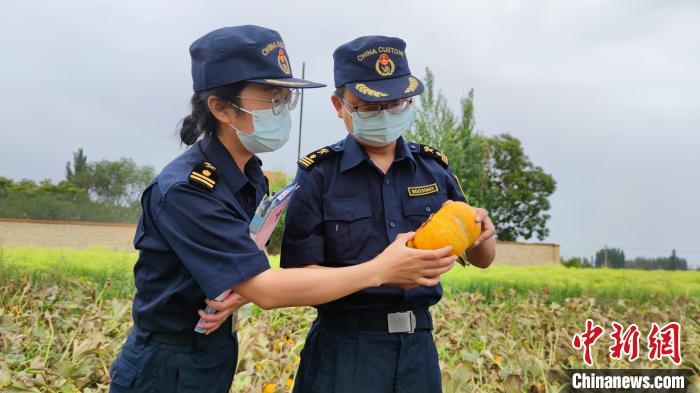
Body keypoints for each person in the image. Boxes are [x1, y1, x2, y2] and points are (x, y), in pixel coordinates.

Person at [108, 26, 458, 393]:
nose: (282, 109)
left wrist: (238, 287)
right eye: (270, 98)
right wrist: (381, 270)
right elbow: (268, 289)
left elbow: (237, 261)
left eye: (285, 97)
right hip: (165, 363)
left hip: (213, 349)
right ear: (221, 108)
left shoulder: (251, 177)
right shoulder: (188, 189)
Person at [281, 35, 497, 393]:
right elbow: (298, 278)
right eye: (369, 106)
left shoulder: (433, 168)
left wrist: (483, 234)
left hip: (417, 349)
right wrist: (379, 274)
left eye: (397, 103)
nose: (385, 115)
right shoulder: (318, 174)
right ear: (339, 105)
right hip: (345, 349)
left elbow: (481, 258)